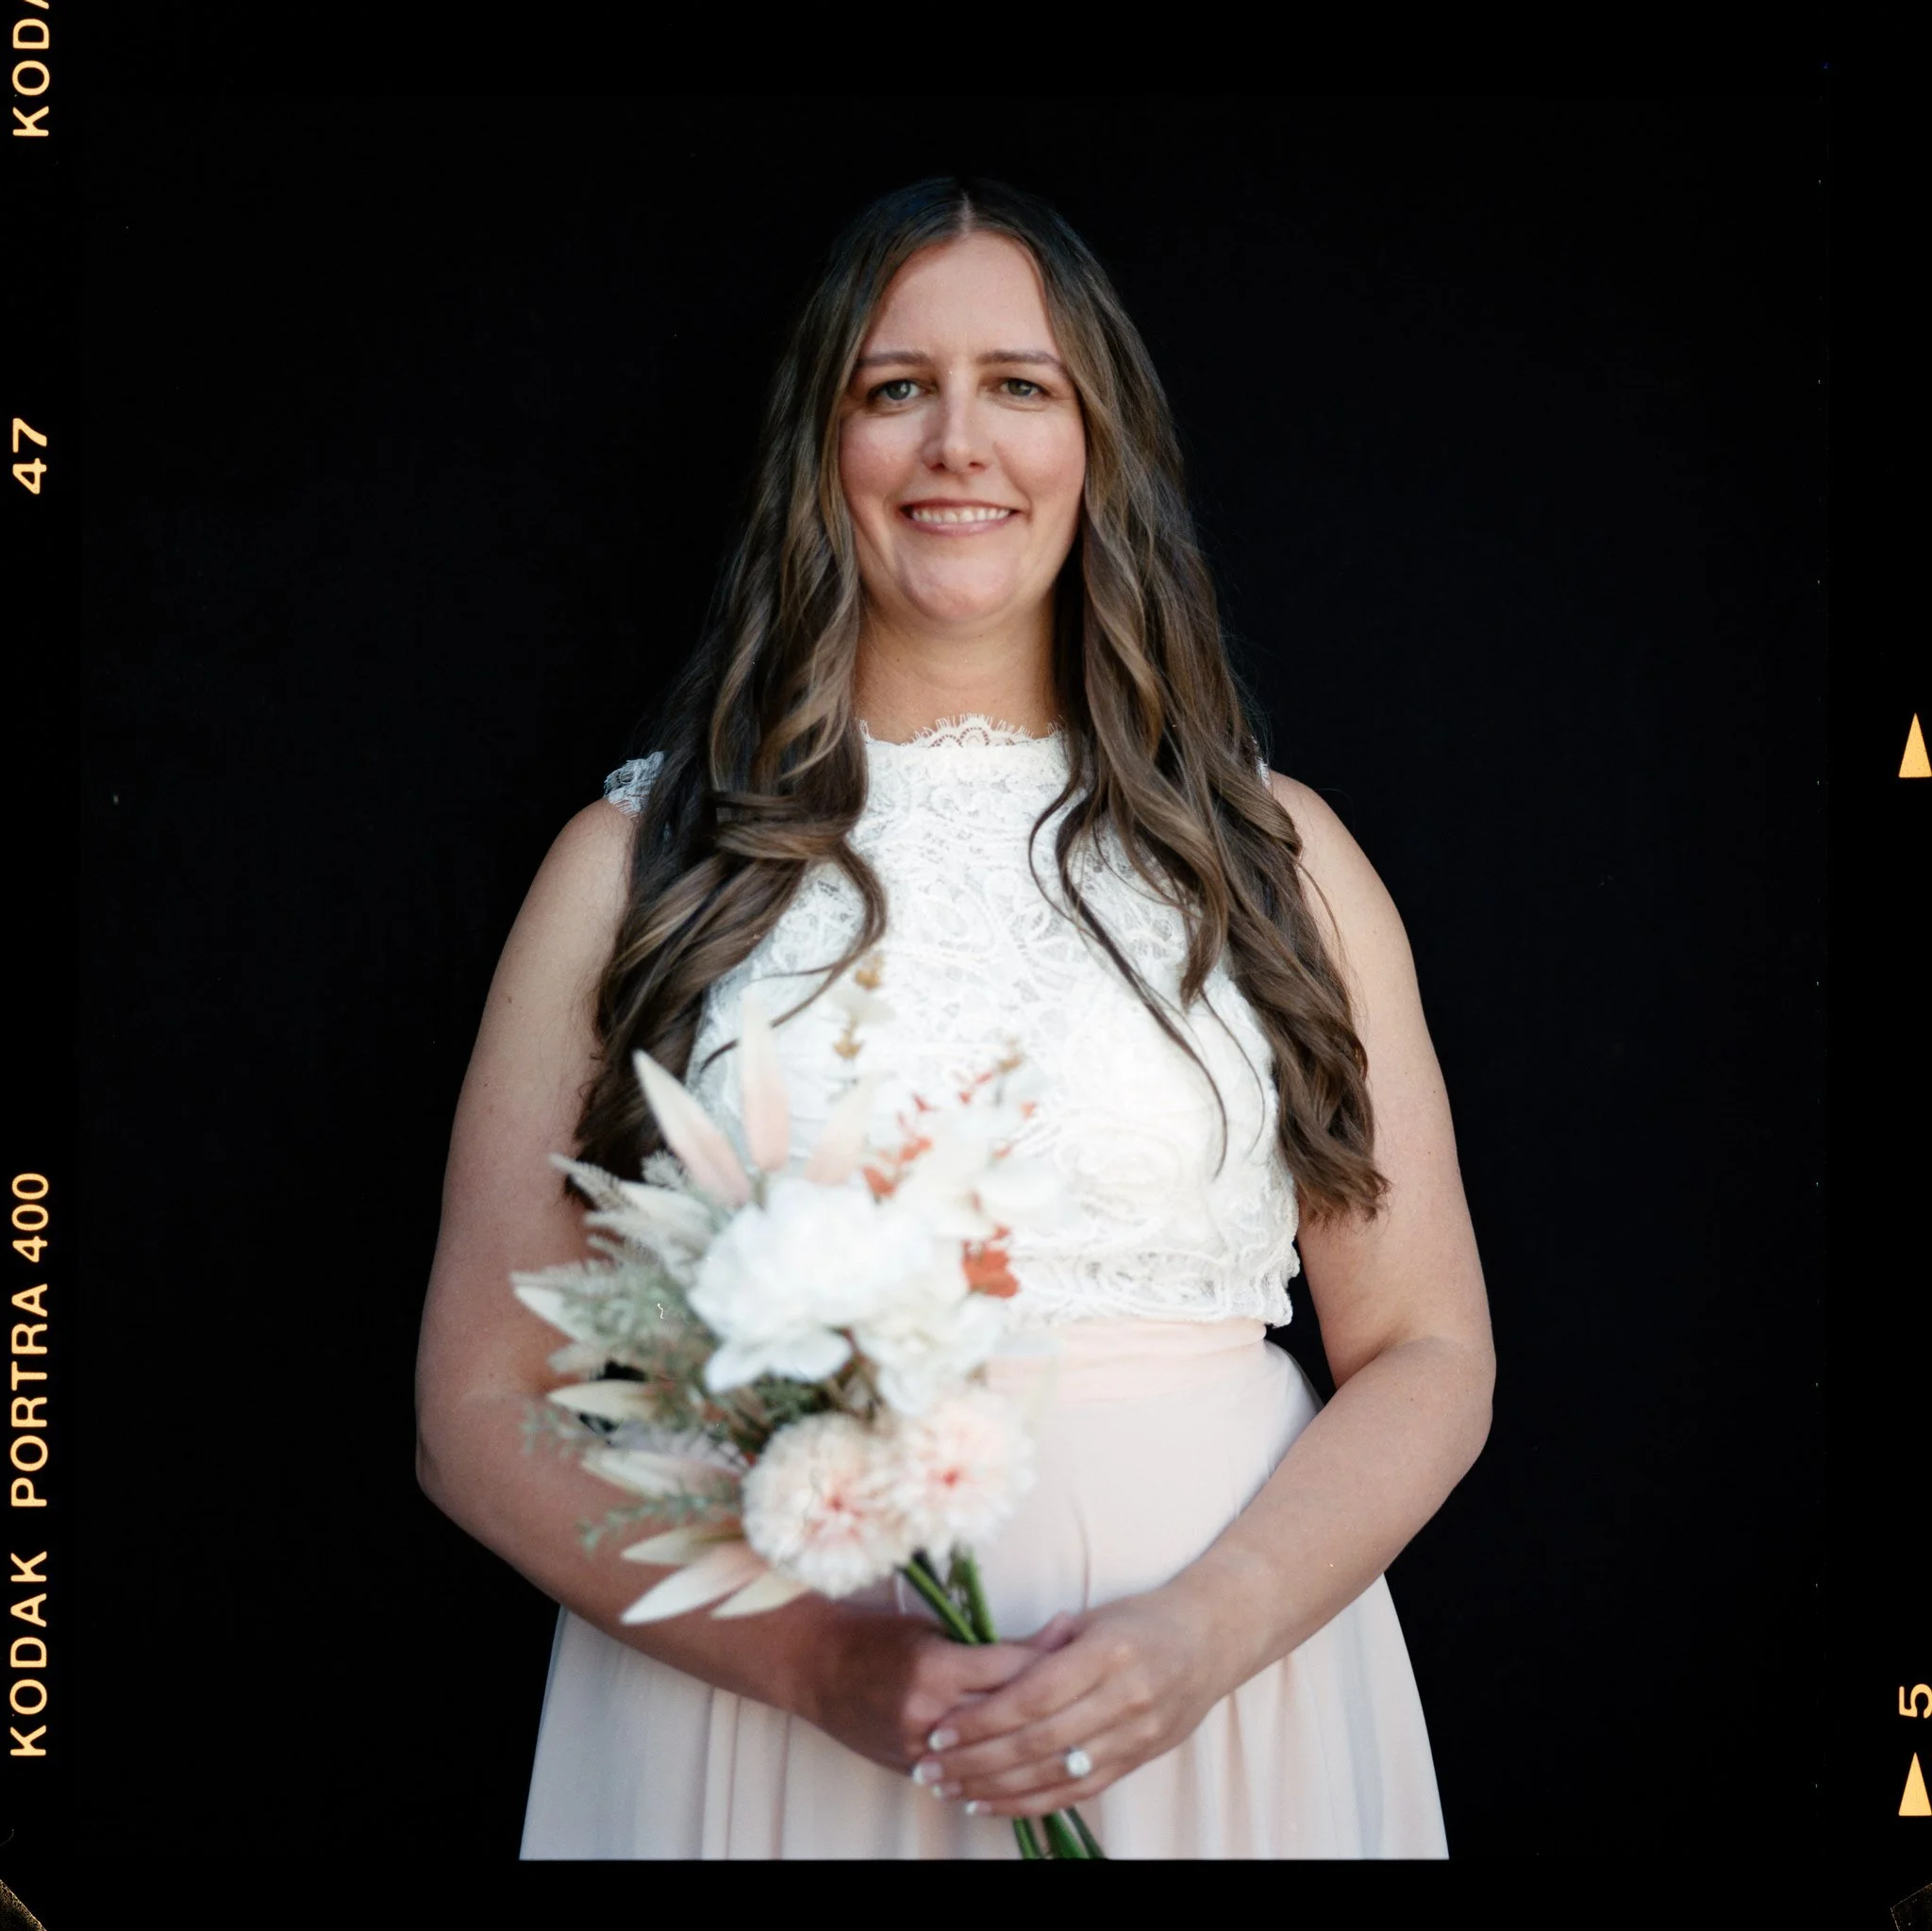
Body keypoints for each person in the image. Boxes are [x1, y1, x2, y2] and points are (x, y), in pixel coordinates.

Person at [414, 176, 1494, 1860]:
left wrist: (1208, 1634)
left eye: (1022, 385)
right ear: (819, 447)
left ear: (1098, 445)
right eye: (895, 386)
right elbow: (479, 1403)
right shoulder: (636, 865)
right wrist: (823, 1663)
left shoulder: (1279, 858)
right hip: (756, 1729)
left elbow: (1428, 1346)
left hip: (1224, 1720)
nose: (957, 444)